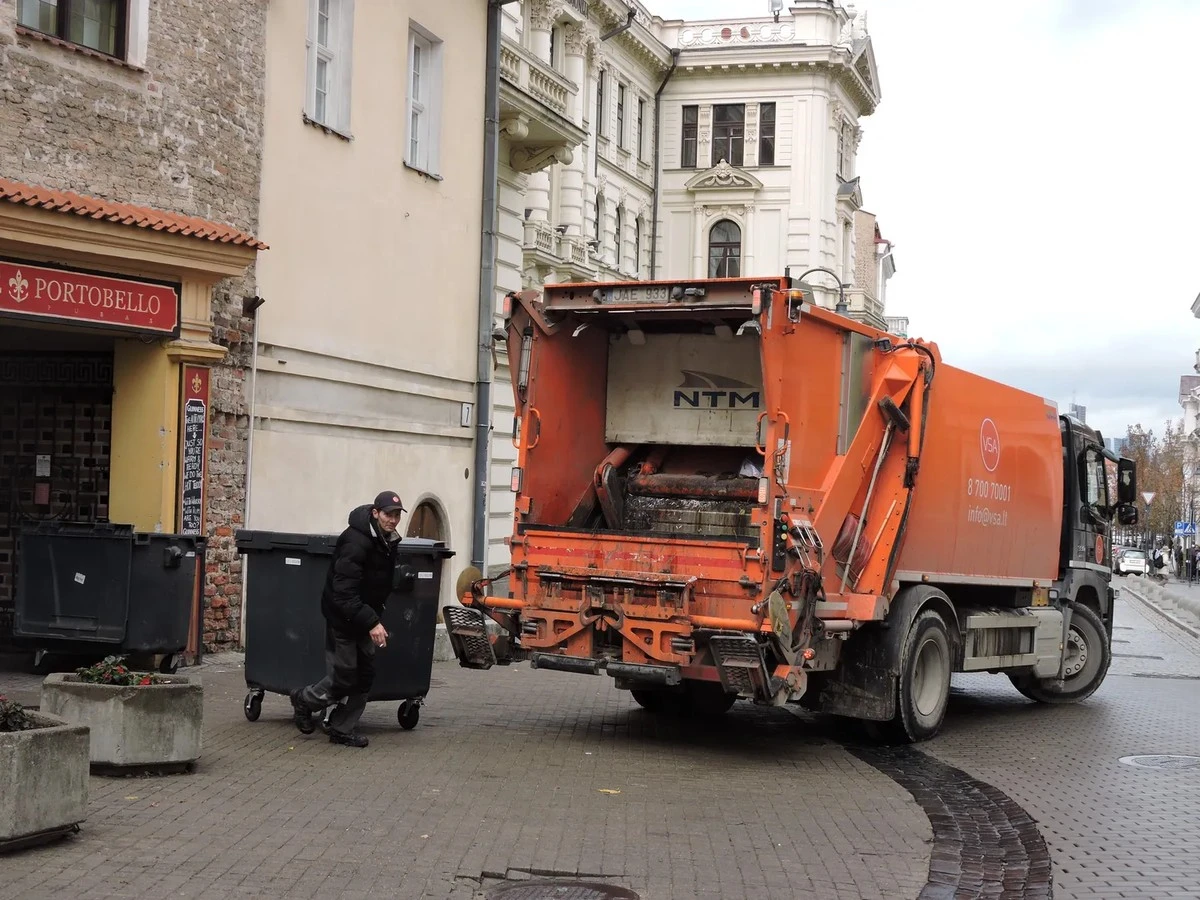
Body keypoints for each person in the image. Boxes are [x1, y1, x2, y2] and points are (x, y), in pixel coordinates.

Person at [290, 490, 405, 747]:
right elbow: (343, 593)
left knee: (364, 677)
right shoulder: (356, 541)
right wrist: (372, 622)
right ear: (376, 513)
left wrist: (373, 617)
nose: (393, 520)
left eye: (397, 515)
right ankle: (304, 700)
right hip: (343, 618)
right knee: (344, 677)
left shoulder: (387, 541)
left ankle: (341, 728)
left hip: (364, 619)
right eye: (389, 514)